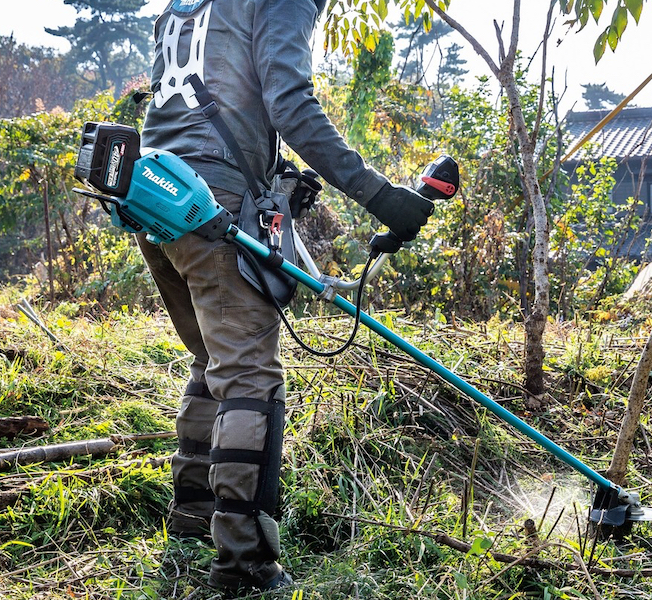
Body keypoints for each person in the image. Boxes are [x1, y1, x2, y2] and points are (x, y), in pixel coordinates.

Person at [137, 0, 434, 592]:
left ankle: (193, 518)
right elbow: (291, 105)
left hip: (154, 196)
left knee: (215, 362)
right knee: (249, 378)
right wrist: (381, 196)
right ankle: (244, 563)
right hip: (211, 204)